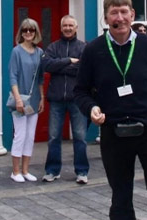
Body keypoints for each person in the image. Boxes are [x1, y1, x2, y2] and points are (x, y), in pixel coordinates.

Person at [74, 0, 147, 220]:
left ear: (132, 15)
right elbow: (80, 91)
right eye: (114, 13)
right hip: (114, 133)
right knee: (120, 197)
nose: (120, 18)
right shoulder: (93, 50)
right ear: (106, 18)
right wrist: (91, 108)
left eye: (124, 12)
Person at [41, 14, 89, 184]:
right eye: (65, 26)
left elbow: (84, 69)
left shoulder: (84, 48)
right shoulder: (53, 47)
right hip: (56, 99)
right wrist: (69, 61)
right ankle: (52, 170)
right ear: (61, 28)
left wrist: (59, 67)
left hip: (77, 99)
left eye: (70, 25)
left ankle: (82, 171)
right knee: (54, 137)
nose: (68, 28)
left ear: (76, 28)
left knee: (80, 137)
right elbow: (46, 65)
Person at [7, 18, 45, 183]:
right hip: (20, 99)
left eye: (31, 30)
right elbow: (12, 76)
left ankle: (25, 170)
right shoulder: (16, 51)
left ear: (36, 32)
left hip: (34, 99)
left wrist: (42, 98)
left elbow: (40, 78)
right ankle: (15, 171)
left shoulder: (39, 52)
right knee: (20, 135)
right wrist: (18, 99)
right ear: (21, 32)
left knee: (30, 136)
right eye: (25, 30)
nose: (28, 33)